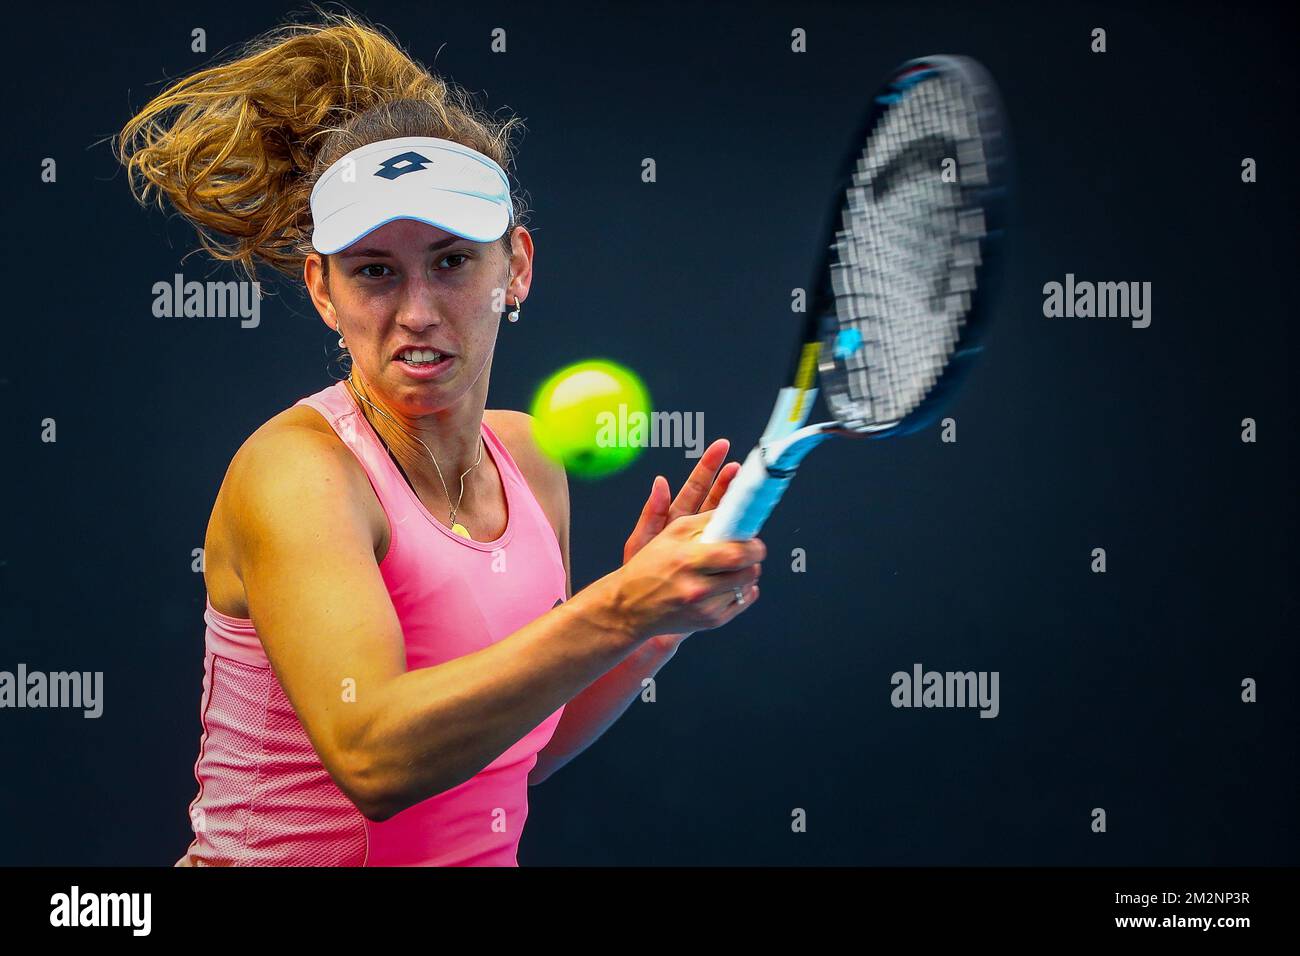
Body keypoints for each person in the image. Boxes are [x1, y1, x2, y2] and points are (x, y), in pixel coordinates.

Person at [115, 11, 764, 866]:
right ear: (322, 287)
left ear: (517, 267)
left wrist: (651, 625)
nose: (417, 311)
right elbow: (376, 758)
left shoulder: (529, 459)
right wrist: (619, 604)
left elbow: (515, 746)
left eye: (453, 261)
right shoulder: (299, 475)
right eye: (376, 270)